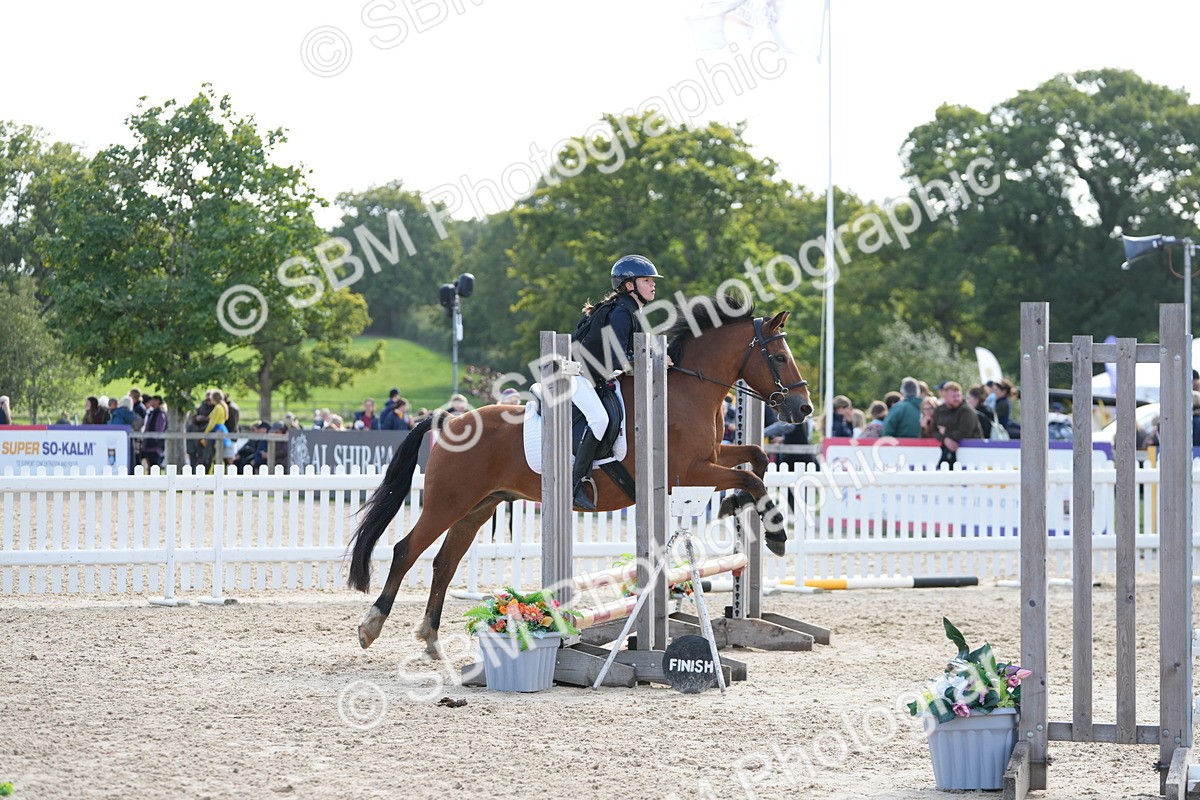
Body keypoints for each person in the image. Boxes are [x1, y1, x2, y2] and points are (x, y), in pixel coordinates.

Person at [568, 254, 665, 510]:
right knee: (600, 419)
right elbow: (619, 358)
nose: (653, 285)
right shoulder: (621, 312)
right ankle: (573, 485)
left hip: (595, 377)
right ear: (629, 284)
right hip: (576, 376)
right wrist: (655, 360)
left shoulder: (629, 310)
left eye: (652, 280)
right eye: (647, 280)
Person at [932, 381, 983, 467]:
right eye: (953, 396)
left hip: (970, 454)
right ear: (945, 396)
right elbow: (934, 431)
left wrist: (945, 433)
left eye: (958, 395)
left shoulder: (966, 411)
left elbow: (964, 433)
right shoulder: (939, 410)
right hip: (946, 452)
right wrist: (945, 440)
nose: (957, 399)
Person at [141, 395, 168, 469]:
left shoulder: (160, 414)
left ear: (157, 401)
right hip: (149, 445)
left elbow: (160, 429)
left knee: (154, 466)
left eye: (153, 400)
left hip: (155, 446)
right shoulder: (152, 413)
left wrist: (156, 441)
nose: (150, 402)